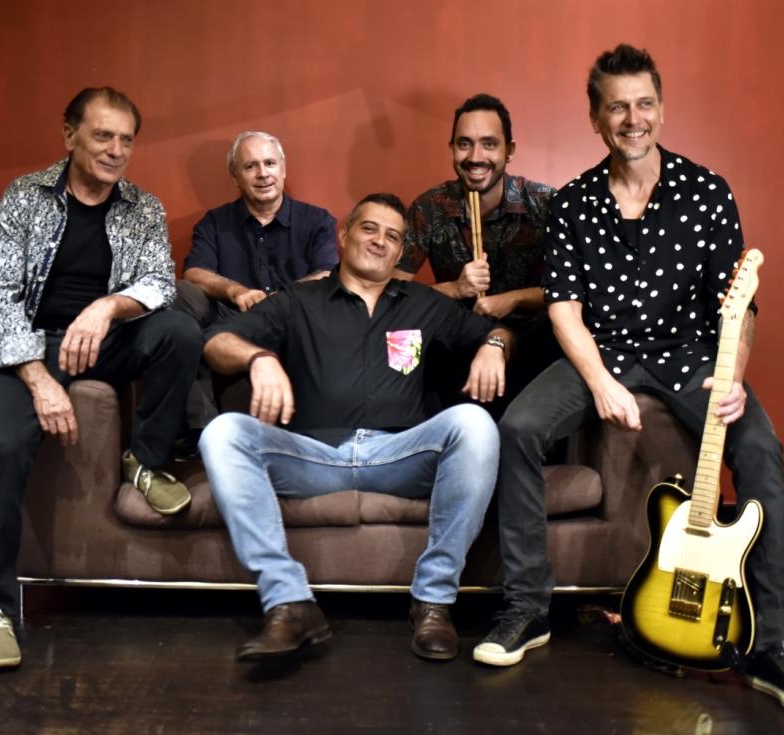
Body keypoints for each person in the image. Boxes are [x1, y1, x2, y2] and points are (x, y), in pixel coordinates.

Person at [475, 44, 784, 721]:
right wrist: (600, 383)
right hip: (603, 351)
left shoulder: (707, 191)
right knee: (519, 428)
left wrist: (734, 375)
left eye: (644, 103)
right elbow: (563, 309)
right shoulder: (575, 203)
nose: (633, 118)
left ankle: (774, 644)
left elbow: (739, 305)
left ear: (662, 109)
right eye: (617, 106)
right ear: (596, 117)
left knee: (760, 446)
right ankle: (526, 609)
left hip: (691, 354)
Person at [198, 193, 511, 662]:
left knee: (474, 422)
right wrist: (259, 358)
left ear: (400, 251)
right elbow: (216, 342)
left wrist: (493, 346)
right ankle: (289, 603)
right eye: (369, 229)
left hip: (400, 457)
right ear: (343, 235)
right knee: (222, 432)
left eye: (393, 237)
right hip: (313, 457)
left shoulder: (424, 303)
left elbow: (500, 330)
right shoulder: (298, 300)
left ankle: (433, 601)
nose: (381, 242)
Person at [0, 87, 202, 670]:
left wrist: (107, 306)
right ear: (70, 135)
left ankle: (144, 460)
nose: (116, 150)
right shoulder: (24, 196)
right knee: (5, 446)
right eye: (103, 136)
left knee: (179, 331)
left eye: (127, 140)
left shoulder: (142, 207)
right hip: (29, 344)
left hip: (103, 339)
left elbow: (160, 283)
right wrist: (39, 379)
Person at [393, 94, 559, 416]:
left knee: (567, 330)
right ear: (452, 149)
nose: (475, 157)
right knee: (400, 333)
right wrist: (455, 289)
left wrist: (512, 300)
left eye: (489, 144)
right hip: (458, 341)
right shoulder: (430, 207)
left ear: (509, 151)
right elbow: (393, 296)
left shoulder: (545, 203)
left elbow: (575, 290)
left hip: (532, 342)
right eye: (464, 144)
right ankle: (395, 426)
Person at [175, 132, 339, 438]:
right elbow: (194, 273)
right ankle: (202, 429)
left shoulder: (317, 221)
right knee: (181, 295)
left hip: (293, 323)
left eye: (270, 163)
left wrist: (281, 299)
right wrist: (235, 291)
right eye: (250, 166)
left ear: (283, 170)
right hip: (230, 320)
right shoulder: (214, 222)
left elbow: (328, 274)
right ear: (235, 177)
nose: (263, 173)